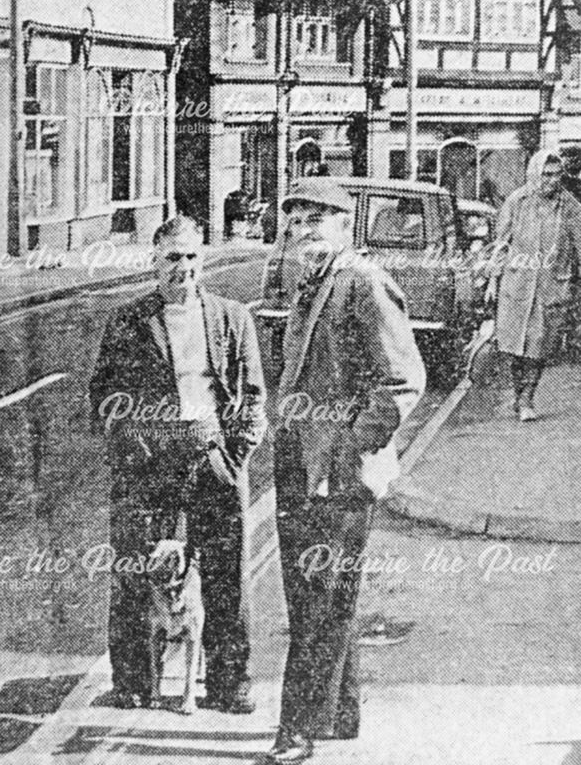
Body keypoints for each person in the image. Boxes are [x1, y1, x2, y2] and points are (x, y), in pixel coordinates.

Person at [262, 179, 426, 764]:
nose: (305, 230)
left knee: (317, 601)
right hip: (300, 462)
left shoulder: (363, 283)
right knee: (324, 597)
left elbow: (403, 382)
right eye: (297, 220)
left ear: (345, 225)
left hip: (336, 470)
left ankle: (296, 729)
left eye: (318, 219)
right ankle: (337, 715)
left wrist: (349, 449)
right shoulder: (312, 282)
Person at [89, 214, 267, 712]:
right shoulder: (128, 321)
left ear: (202, 260)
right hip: (149, 462)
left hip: (213, 456)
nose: (182, 268)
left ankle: (231, 687)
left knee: (225, 574)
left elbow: (253, 396)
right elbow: (104, 395)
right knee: (133, 570)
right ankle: (133, 684)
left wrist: (234, 455)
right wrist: (130, 450)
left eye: (191, 257)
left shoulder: (233, 317)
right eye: (172, 258)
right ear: (154, 262)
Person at [486, 150, 581, 421]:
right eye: (546, 174)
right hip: (516, 285)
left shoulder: (570, 206)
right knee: (515, 345)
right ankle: (519, 395)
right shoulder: (517, 202)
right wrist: (493, 280)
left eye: (556, 174)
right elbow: (501, 245)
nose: (552, 180)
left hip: (552, 287)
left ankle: (527, 398)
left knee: (539, 345)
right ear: (535, 174)